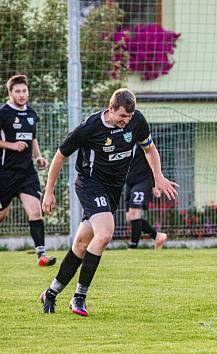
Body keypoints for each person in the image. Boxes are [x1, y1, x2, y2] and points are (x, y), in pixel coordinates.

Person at [39, 88, 178, 316]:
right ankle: (79, 297)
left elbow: (150, 149)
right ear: (110, 109)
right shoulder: (89, 127)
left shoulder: (137, 121)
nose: (126, 121)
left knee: (83, 243)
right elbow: (60, 155)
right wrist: (49, 191)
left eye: (130, 117)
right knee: (104, 234)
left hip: (113, 190)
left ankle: (51, 293)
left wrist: (158, 176)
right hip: (90, 184)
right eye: (122, 116)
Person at [0, 74, 54, 266]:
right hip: (5, 173)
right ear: (10, 93)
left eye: (24, 91)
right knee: (2, 215)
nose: (22, 95)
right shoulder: (3, 113)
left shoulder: (31, 114)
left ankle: (41, 256)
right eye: (18, 91)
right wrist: (11, 145)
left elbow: (33, 139)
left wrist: (38, 156)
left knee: (35, 211)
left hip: (26, 174)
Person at [125, 142, 168, 250]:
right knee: (130, 217)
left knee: (135, 213)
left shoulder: (143, 144)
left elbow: (153, 162)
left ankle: (132, 247)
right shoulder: (125, 142)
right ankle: (158, 236)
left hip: (143, 181)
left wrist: (155, 184)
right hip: (130, 182)